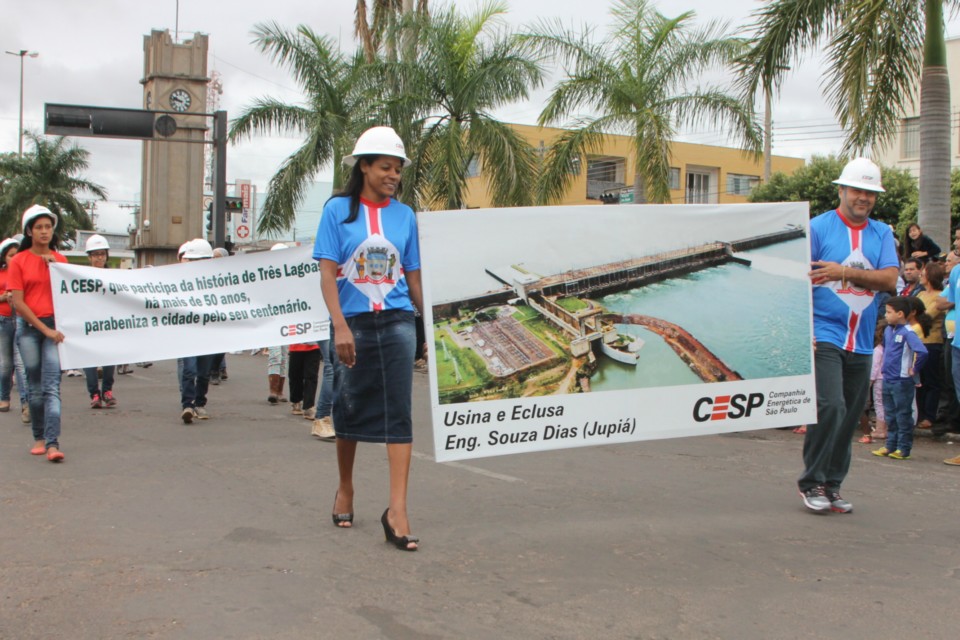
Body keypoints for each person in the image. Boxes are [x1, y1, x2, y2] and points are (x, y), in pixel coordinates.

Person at [313, 125, 425, 550]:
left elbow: (411, 273)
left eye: (397, 169)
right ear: (363, 166)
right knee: (350, 407)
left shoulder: (405, 215)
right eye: (385, 167)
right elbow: (326, 272)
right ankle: (346, 486)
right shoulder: (336, 211)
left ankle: (397, 510)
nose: (393, 175)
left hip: (397, 321)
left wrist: (425, 319)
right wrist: (339, 325)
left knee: (400, 411)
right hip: (353, 322)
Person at [800, 158, 898, 514]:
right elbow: (798, 280)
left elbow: (889, 280)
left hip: (862, 340)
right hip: (824, 333)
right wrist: (802, 329)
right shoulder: (817, 228)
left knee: (851, 413)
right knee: (830, 405)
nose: (864, 198)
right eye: (857, 190)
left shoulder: (882, 233)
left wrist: (843, 272)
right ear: (841, 190)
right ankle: (812, 482)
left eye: (870, 193)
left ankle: (832, 484)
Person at [7, 205, 68, 462]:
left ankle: (53, 443)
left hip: (55, 329)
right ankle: (39, 437)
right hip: (30, 329)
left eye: (48, 226)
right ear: (29, 231)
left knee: (51, 386)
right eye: (39, 227)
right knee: (34, 386)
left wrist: (57, 269)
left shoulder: (60, 261)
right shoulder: (19, 261)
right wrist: (44, 329)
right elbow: (18, 303)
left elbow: (72, 297)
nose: (44, 231)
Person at [871, 297, 929, 460]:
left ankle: (903, 448)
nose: (886, 315)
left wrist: (914, 369)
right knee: (890, 414)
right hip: (888, 377)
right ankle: (890, 445)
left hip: (902, 380)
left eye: (889, 312)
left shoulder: (908, 332)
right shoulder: (889, 330)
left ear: (900, 314)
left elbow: (922, 351)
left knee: (902, 414)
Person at [176, 239, 216, 423]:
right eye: (192, 261)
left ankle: (200, 402)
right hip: (187, 333)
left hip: (207, 333)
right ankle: (188, 405)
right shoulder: (180, 283)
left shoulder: (215, 284)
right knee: (189, 369)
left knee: (204, 371)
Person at [80, 235, 118, 409]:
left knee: (110, 359)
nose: (99, 258)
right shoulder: (80, 277)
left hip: (108, 324)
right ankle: (94, 393)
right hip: (88, 325)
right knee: (89, 361)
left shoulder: (114, 276)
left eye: (102, 254)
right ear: (89, 257)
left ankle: (107, 391)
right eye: (95, 254)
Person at [0, 237, 28, 419]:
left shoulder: (24, 274)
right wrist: (5, 296)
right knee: (5, 364)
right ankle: (4, 397)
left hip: (20, 319)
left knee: (21, 364)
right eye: (11, 255)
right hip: (3, 320)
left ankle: (26, 404)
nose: (14, 258)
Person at [915, 261, 945, 429]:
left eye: (924, 272)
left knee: (931, 381)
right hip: (917, 342)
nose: (921, 275)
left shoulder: (940, 296)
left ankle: (929, 415)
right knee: (919, 381)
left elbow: (926, 317)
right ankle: (919, 414)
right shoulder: (920, 295)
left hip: (932, 342)